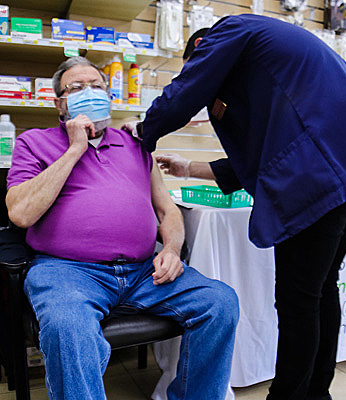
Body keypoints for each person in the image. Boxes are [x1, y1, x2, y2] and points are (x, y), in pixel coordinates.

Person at [136, 14, 346, 400]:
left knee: (298, 300)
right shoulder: (272, 66)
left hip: (321, 177)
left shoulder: (230, 31)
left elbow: (188, 88)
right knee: (319, 290)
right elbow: (263, 159)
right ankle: (314, 393)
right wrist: (188, 166)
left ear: (201, 51)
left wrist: (145, 131)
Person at [5, 56, 239, 400]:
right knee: (68, 325)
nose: (90, 93)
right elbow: (20, 214)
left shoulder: (136, 144)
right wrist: (74, 150)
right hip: (68, 271)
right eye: (77, 88)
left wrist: (172, 250)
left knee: (220, 302)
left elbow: (167, 211)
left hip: (145, 271)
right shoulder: (33, 142)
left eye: (97, 86)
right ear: (60, 104)